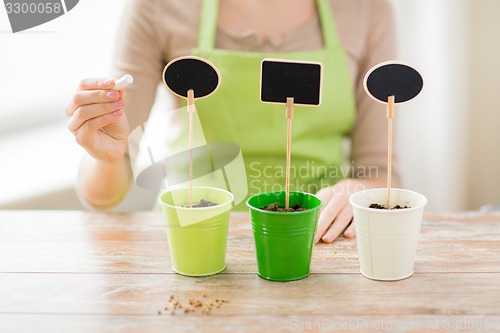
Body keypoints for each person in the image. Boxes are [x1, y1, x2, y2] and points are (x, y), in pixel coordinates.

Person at [65, 0, 399, 243]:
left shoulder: (367, 8)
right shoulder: (156, 6)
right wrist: (106, 158)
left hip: (316, 239)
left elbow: (382, 172)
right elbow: (104, 196)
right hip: (191, 234)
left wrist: (357, 191)